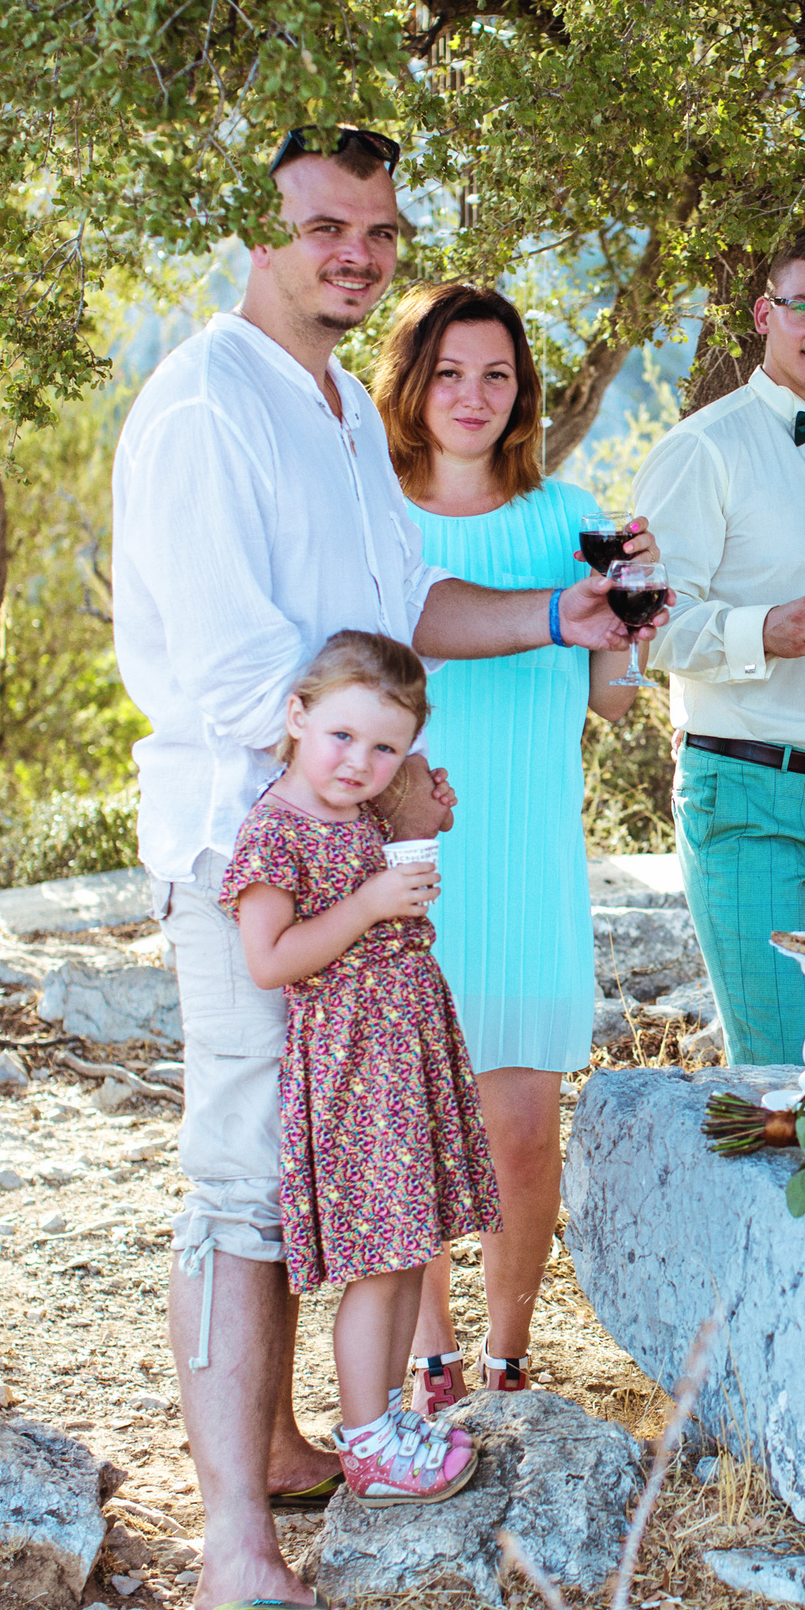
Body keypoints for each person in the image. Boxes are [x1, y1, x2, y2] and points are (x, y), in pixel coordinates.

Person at [112, 125, 666, 1610]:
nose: (354, 251)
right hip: (255, 861)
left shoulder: (348, 405)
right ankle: (234, 1540)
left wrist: (568, 607)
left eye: (378, 228)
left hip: (352, 858)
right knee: (239, 1187)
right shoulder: (205, 409)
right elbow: (237, 676)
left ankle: (286, 1449)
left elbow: (401, 608)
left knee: (305, 1175)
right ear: (260, 230)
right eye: (324, 225)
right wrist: (373, 790)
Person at [370, 282, 636, 1412]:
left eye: (495, 374)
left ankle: (510, 1352)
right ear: (410, 386)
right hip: (407, 864)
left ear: (522, 390)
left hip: (529, 857)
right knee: (420, 1119)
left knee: (523, 1132)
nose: (472, 396)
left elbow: (617, 704)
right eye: (448, 373)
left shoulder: (571, 517)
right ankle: (430, 1350)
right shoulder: (371, 516)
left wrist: (629, 623)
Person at [221, 632, 497, 1513]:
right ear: (297, 718)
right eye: (342, 737)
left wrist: (422, 822)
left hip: (404, 1050)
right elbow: (271, 959)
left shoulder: (365, 813)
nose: (361, 762)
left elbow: (396, 844)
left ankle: (391, 1418)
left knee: (411, 1251)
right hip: (353, 1069)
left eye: (386, 748)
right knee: (381, 1258)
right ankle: (368, 1442)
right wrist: (370, 902)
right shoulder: (276, 829)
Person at [638, 226, 805, 1063]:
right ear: (764, 314)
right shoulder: (701, 450)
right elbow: (646, 628)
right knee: (783, 1068)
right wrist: (762, 630)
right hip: (749, 791)